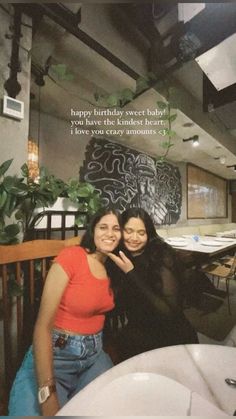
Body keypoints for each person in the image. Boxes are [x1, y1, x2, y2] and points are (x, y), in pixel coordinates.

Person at [8, 208, 121, 416]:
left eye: (116, 228)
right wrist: (47, 395)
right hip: (56, 356)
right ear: (92, 230)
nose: (110, 233)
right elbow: (43, 327)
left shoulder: (115, 267)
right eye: (103, 227)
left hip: (94, 357)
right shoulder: (71, 257)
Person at [107, 207, 198, 361]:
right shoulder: (119, 256)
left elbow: (169, 312)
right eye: (128, 231)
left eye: (141, 233)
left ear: (149, 234)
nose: (134, 238)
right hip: (138, 329)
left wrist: (131, 273)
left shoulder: (161, 255)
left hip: (169, 334)